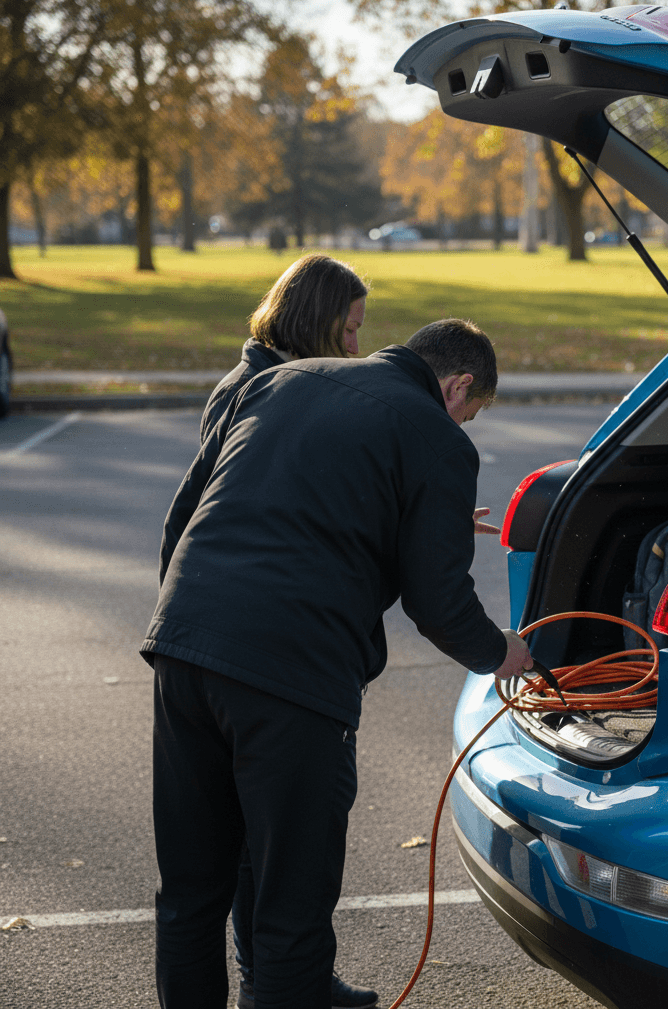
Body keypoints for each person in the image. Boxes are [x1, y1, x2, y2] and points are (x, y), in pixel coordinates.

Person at [142, 318, 532, 1009]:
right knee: (291, 905)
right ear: (459, 384)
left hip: (183, 643)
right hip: (292, 675)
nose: (463, 426)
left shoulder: (280, 381)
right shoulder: (436, 437)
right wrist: (500, 652)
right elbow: (437, 601)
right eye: (469, 414)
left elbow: (187, 516)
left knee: (190, 895)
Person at [198, 253, 372, 1009]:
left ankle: (282, 979)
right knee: (280, 845)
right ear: (318, 322)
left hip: (232, 648)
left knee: (263, 845)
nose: (361, 347)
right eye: (353, 328)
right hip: (272, 657)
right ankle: (277, 983)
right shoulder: (263, 391)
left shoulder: (260, 383)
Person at [200, 253, 367, 446]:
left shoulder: (312, 385)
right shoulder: (239, 395)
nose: (354, 349)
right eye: (349, 330)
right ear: (314, 319)